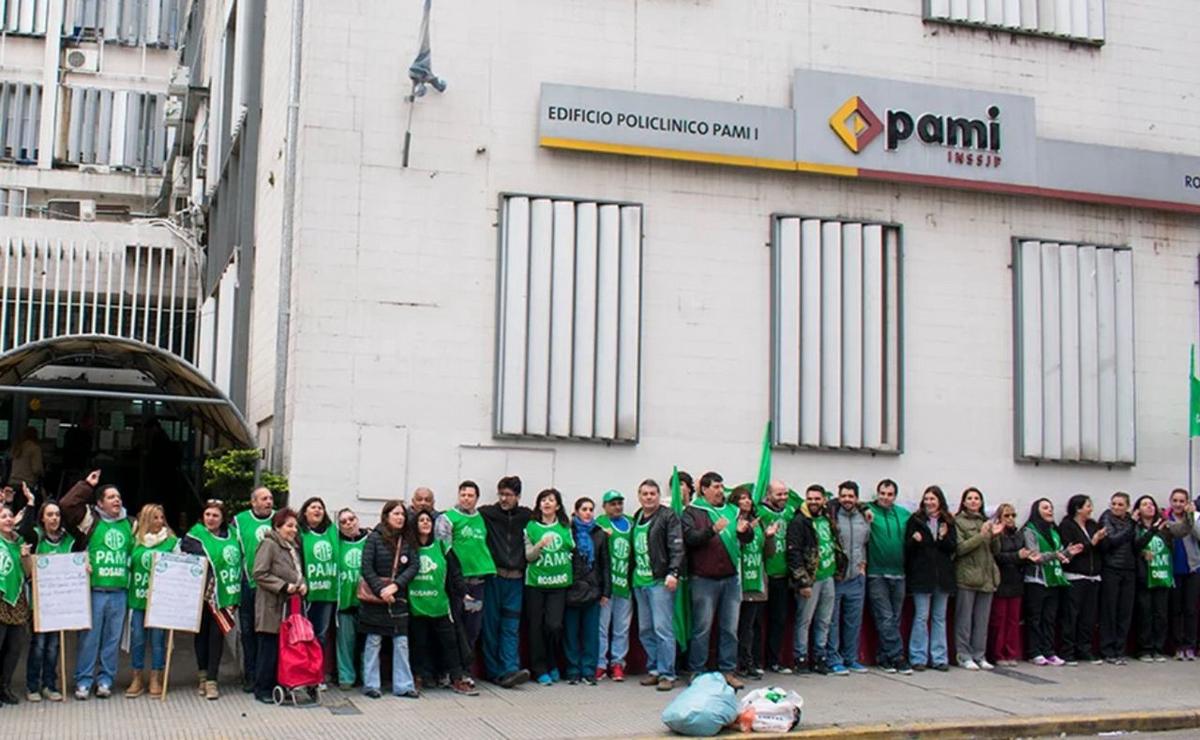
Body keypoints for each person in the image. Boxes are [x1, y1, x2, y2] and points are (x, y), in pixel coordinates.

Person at [60, 470, 136, 700]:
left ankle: (105, 680)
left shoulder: (131, 524)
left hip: (120, 592)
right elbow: (66, 505)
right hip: (94, 591)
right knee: (89, 639)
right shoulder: (90, 520)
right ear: (100, 503)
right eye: (111, 497)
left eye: (118, 497)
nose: (117, 500)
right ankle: (83, 681)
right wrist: (86, 485)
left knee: (112, 640)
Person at [683, 472, 753, 688]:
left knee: (730, 629)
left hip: (731, 578)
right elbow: (689, 538)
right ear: (704, 489)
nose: (720, 491)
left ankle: (728, 671)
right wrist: (712, 530)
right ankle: (697, 670)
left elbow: (746, 539)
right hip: (703, 579)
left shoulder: (733, 511)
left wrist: (744, 532)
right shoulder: (693, 512)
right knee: (702, 628)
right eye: (715, 487)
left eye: (722, 486)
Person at [407, 509, 477, 696]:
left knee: (450, 643)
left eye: (428, 520)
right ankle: (417, 678)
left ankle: (457, 678)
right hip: (416, 605)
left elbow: (455, 573)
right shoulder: (409, 548)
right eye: (421, 520)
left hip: (440, 604)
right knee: (418, 644)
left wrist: (464, 593)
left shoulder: (441, 546)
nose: (425, 523)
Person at [181, 499, 242, 700]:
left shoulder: (233, 535)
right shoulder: (194, 536)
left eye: (215, 515)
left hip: (225, 594)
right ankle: (203, 675)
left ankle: (212, 680)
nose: (211, 518)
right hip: (202, 594)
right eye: (208, 514)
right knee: (201, 636)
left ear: (223, 518)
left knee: (217, 637)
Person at [359, 500, 420, 698]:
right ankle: (371, 684)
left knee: (401, 642)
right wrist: (382, 590)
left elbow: (414, 566)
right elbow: (366, 567)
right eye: (396, 514)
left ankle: (404, 685)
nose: (400, 518)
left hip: (398, 598)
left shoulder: (408, 539)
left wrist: (396, 586)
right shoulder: (374, 538)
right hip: (376, 599)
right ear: (386, 516)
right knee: (373, 640)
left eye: (402, 514)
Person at [17, 500, 76, 701]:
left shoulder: (68, 540)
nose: (54, 518)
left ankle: (50, 685)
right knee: (39, 645)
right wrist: (26, 557)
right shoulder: (36, 537)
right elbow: (28, 571)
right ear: (42, 518)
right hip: (40, 603)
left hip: (59, 603)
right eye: (50, 514)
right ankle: (32, 686)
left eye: (57, 514)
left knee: (53, 647)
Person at [478, 476, 532, 688]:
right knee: (490, 625)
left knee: (510, 626)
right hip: (494, 577)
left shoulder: (526, 516)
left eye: (508, 495)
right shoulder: (488, 513)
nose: (503, 499)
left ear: (518, 496)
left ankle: (510, 669)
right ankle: (494, 672)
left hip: (516, 580)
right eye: (501, 494)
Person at [435, 480, 493, 676]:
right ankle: (449, 670)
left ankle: (465, 669)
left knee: (471, 627)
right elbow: (443, 548)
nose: (466, 499)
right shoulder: (447, 518)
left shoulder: (482, 518)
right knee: (453, 627)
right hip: (455, 585)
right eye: (463, 495)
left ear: (477, 498)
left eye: (470, 495)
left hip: (476, 584)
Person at [631, 478, 683, 691]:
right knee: (645, 629)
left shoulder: (668, 516)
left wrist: (674, 572)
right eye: (645, 494)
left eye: (652, 493)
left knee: (663, 629)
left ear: (659, 496)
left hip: (659, 581)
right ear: (639, 496)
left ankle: (667, 674)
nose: (649, 497)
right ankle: (654, 669)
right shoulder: (637, 516)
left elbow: (677, 546)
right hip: (639, 581)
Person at [252, 508, 306, 704]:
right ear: (277, 526)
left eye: (295, 527)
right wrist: (284, 586)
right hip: (271, 607)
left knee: (283, 650)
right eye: (289, 526)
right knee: (269, 649)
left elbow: (297, 572)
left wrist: (303, 583)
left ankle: (280, 685)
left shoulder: (292, 547)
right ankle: (262, 689)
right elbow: (259, 573)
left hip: (288, 607)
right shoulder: (269, 544)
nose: (294, 530)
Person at [787, 484, 840, 675]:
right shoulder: (799, 521)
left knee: (825, 620)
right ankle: (800, 658)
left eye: (817, 499)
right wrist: (803, 581)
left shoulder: (827, 518)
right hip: (811, 579)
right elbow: (793, 554)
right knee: (804, 620)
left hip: (828, 576)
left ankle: (820, 657)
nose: (813, 502)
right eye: (810, 499)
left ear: (824, 500)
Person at [1022, 498, 1082, 667]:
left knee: (1049, 618)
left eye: (1051, 507)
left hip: (1054, 580)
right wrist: (1055, 555)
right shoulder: (1030, 530)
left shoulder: (1054, 531)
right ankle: (1034, 652)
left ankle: (1049, 651)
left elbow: (1059, 554)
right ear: (1037, 511)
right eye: (1045, 508)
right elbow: (1035, 555)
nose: (1050, 510)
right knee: (1035, 618)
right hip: (1036, 580)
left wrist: (1068, 553)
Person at [125, 504, 177, 697]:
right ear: (146, 519)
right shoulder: (135, 541)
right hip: (138, 598)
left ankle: (156, 677)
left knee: (158, 640)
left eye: (162, 518)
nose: (160, 522)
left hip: (159, 601)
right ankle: (137, 677)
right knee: (138, 639)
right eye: (155, 518)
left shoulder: (171, 542)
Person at [523, 488, 574, 685]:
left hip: (559, 583)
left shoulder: (565, 526)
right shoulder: (531, 527)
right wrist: (540, 545)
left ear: (557, 505)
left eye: (551, 500)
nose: (546, 503)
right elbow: (529, 556)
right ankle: (539, 669)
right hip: (536, 584)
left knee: (554, 626)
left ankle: (553, 663)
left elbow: (573, 549)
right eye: (543, 500)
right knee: (535, 627)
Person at [905, 485, 957, 671]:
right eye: (926, 499)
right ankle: (918, 657)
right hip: (922, 576)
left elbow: (953, 547)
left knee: (939, 618)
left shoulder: (948, 521)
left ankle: (939, 658)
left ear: (939, 501)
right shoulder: (916, 520)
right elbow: (907, 548)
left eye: (932, 499)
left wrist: (943, 537)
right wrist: (914, 540)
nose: (929, 502)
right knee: (921, 617)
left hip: (942, 577)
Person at [1132, 495, 1186, 662]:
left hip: (1162, 573)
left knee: (1161, 614)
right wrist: (1144, 548)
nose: (1149, 507)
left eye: (1151, 504)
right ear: (1138, 509)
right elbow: (1136, 546)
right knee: (1145, 613)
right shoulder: (1136, 527)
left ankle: (1158, 648)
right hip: (1145, 575)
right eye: (1144, 504)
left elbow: (1181, 534)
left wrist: (1190, 515)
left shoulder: (1165, 527)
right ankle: (1144, 649)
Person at [865, 479, 911, 674]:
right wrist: (863, 509)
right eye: (882, 493)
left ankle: (884, 658)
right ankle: (897, 657)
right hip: (877, 573)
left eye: (889, 494)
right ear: (877, 494)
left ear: (895, 496)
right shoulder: (868, 510)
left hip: (899, 573)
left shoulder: (903, 514)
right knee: (885, 617)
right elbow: (847, 504)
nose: (885, 497)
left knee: (895, 619)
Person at [232, 486, 275, 692]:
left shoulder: (279, 519)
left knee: (267, 632)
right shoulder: (239, 521)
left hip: (272, 587)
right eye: (264, 498)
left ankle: (265, 675)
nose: (269, 502)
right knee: (248, 631)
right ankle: (250, 674)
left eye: (270, 498)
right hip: (248, 584)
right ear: (253, 502)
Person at [953, 487, 1000, 671]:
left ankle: (979, 655)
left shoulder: (986, 521)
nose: (973, 501)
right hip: (967, 576)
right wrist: (981, 535)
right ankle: (963, 655)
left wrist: (995, 536)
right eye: (970, 498)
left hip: (987, 576)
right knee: (964, 620)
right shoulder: (958, 522)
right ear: (964, 502)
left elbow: (995, 551)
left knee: (982, 621)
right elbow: (960, 548)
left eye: (977, 498)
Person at [732, 485, 777, 679]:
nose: (747, 501)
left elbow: (769, 553)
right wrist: (742, 533)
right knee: (736, 626)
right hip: (738, 581)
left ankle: (749, 661)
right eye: (742, 498)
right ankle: (737, 663)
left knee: (749, 626)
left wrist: (770, 538)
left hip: (756, 581)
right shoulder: (732, 522)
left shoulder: (758, 523)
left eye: (748, 498)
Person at [564, 497, 609, 685]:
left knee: (591, 634)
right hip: (572, 589)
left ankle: (589, 671)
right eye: (584, 509)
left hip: (593, 590)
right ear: (576, 512)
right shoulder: (568, 532)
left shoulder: (599, 534)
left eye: (591, 509)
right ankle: (573, 670)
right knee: (571, 634)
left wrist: (606, 591)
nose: (588, 513)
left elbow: (605, 564)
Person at [826, 481, 870, 677]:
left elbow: (865, 543)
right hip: (837, 577)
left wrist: (863, 564)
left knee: (853, 621)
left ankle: (850, 658)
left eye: (851, 496)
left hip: (856, 578)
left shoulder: (863, 517)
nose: (847, 499)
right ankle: (833, 660)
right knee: (832, 622)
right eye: (843, 496)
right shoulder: (832, 516)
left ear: (857, 498)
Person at [1059, 495, 1106, 666]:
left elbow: (1100, 547)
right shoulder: (1067, 526)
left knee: (1089, 616)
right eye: (1087, 506)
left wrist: (1101, 539)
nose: (1090, 509)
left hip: (1093, 576)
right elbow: (1073, 549)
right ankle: (1067, 651)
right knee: (1071, 615)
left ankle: (1085, 649)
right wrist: (1092, 542)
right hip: (1075, 575)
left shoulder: (1092, 525)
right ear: (1078, 508)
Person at [757, 480, 798, 674]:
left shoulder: (790, 511)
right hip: (763, 575)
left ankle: (774, 660)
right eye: (778, 494)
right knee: (757, 622)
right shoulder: (760, 512)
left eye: (785, 494)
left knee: (779, 620)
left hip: (783, 575)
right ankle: (756, 662)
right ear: (768, 495)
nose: (783, 497)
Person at [594, 490, 633, 681]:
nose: (617, 507)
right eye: (612, 504)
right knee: (602, 626)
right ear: (605, 506)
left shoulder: (631, 523)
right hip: (606, 586)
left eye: (619, 503)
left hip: (625, 583)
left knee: (622, 627)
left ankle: (618, 663)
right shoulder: (600, 523)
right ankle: (600, 663)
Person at [298, 496, 338, 674]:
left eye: (320, 507)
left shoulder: (332, 531)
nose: (317, 510)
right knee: (303, 635)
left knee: (321, 635)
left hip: (327, 592)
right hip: (306, 593)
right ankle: (302, 672)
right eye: (313, 507)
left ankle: (316, 673)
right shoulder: (299, 533)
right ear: (305, 512)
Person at [1098, 492, 1137, 664]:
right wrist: (1132, 525)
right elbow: (1113, 540)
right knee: (1109, 610)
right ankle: (1108, 650)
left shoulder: (1131, 521)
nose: (1116, 507)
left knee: (1124, 612)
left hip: (1129, 569)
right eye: (1113, 503)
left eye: (1120, 504)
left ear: (1127, 507)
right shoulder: (1106, 518)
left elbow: (1136, 543)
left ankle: (1120, 649)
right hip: (1111, 568)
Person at [988, 503, 1028, 667]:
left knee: (1013, 620)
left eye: (1013, 515)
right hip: (1001, 581)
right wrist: (1017, 556)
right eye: (1006, 515)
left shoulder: (1019, 535)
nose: (1010, 519)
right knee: (999, 620)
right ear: (999, 518)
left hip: (1016, 581)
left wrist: (1025, 557)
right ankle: (997, 653)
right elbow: (997, 556)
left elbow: (1024, 555)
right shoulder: (997, 535)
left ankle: (1010, 652)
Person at [0, 506, 32, 705]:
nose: (8, 519)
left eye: (10, 516)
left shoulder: (19, 541)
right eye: (3, 516)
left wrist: (25, 556)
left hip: (17, 599)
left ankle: (5, 686)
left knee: (14, 647)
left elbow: (28, 573)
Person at [335, 508, 369, 690]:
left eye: (351, 519)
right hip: (345, 602)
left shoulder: (370, 540)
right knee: (345, 644)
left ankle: (367, 677)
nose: (349, 523)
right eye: (343, 522)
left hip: (367, 602)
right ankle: (345, 677)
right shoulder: (336, 543)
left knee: (367, 644)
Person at [1166, 489, 1200, 660]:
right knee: (1176, 609)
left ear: (1187, 503)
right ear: (1171, 502)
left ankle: (1190, 645)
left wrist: (1191, 517)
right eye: (1175, 500)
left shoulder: (1195, 518)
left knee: (1190, 609)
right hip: (1173, 570)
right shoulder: (1165, 519)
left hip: (1192, 569)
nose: (1178, 504)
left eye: (1181, 501)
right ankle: (1178, 645)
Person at [8, 426, 43, 493]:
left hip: (12, 482)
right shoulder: (35, 448)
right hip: (27, 484)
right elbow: (36, 469)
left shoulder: (17, 447)